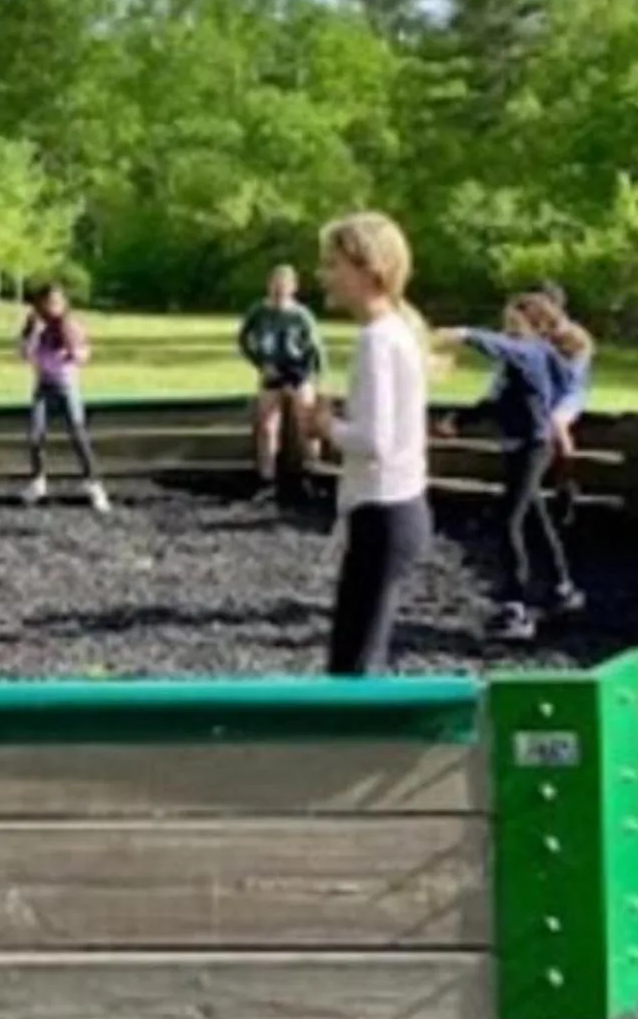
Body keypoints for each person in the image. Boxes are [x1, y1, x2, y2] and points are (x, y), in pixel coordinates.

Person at [301, 213, 431, 676]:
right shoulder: (397, 329)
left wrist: (324, 426)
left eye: (333, 263)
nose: (324, 275)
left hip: (384, 514)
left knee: (353, 667)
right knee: (358, 657)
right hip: (396, 510)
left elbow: (375, 441)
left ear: (368, 269)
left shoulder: (377, 340)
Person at [440, 293, 587, 643]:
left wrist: (464, 334)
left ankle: (514, 607)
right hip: (520, 448)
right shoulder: (518, 362)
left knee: (509, 521)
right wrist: (460, 420)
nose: (507, 332)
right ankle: (561, 589)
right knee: (534, 517)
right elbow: (496, 402)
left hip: (533, 449)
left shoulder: (531, 352)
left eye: (514, 326)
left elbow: (504, 348)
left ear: (537, 328)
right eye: (504, 325)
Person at [18, 282, 110, 513]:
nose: (52, 308)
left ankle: (94, 484)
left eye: (56, 303)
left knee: (77, 434)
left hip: (66, 385)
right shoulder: (35, 327)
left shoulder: (70, 326)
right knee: (36, 433)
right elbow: (24, 354)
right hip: (43, 385)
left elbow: (84, 355)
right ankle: (38, 481)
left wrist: (74, 352)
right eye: (47, 303)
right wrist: (35, 335)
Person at [237, 263, 325, 503]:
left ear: (293, 288)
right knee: (267, 426)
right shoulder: (259, 312)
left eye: (283, 286)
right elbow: (243, 340)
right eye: (275, 285)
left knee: (307, 425)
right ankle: (267, 478)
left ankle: (313, 475)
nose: (278, 291)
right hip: (271, 371)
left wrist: (311, 378)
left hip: (298, 372)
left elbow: (315, 350)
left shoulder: (300, 315)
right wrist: (259, 362)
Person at [533, 279, 594, 527]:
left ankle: (566, 483)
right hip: (543, 392)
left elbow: (573, 378)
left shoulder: (575, 337)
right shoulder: (533, 333)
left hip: (568, 394)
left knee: (557, 423)